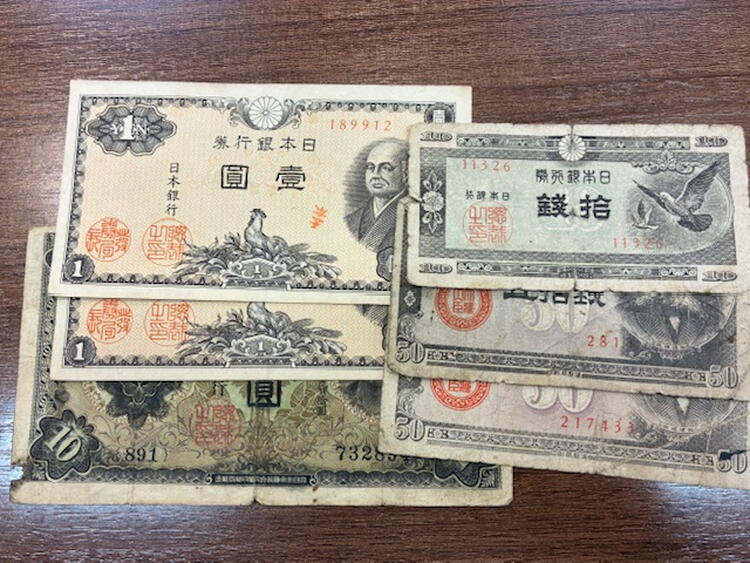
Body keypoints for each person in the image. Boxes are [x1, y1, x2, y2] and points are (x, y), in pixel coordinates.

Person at [345, 139, 407, 253]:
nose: (375, 175)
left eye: (386, 168)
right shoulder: (351, 220)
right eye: (371, 167)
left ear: (405, 173)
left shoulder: (414, 219)